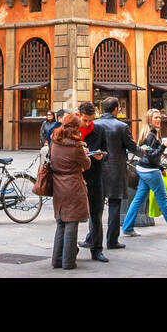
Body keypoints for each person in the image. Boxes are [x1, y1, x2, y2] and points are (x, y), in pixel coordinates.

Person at [121, 108, 167, 239]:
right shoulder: (151, 136)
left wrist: (161, 167)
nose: (159, 120)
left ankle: (127, 227)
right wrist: (164, 146)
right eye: (155, 118)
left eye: (159, 117)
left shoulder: (148, 134)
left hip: (143, 169)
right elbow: (152, 156)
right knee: (163, 200)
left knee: (138, 199)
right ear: (149, 121)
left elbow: (147, 155)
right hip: (151, 171)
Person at [92, 97, 140, 251]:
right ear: (115, 109)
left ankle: (91, 238)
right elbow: (132, 147)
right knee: (114, 205)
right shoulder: (121, 126)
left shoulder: (95, 124)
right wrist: (145, 152)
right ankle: (112, 240)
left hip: (98, 169)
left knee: (96, 207)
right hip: (116, 170)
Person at [49, 113, 91, 270]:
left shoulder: (55, 141)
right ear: (75, 127)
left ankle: (57, 260)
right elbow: (86, 165)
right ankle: (68, 262)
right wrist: (86, 154)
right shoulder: (76, 146)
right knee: (72, 223)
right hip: (73, 185)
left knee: (61, 222)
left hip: (57, 185)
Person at [77, 101, 109, 262]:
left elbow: (106, 152)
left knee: (97, 215)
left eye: (90, 120)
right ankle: (70, 248)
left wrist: (101, 156)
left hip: (95, 177)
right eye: (85, 120)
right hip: (76, 179)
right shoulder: (72, 131)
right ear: (78, 116)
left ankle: (97, 249)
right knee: (73, 216)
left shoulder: (99, 130)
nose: (88, 123)